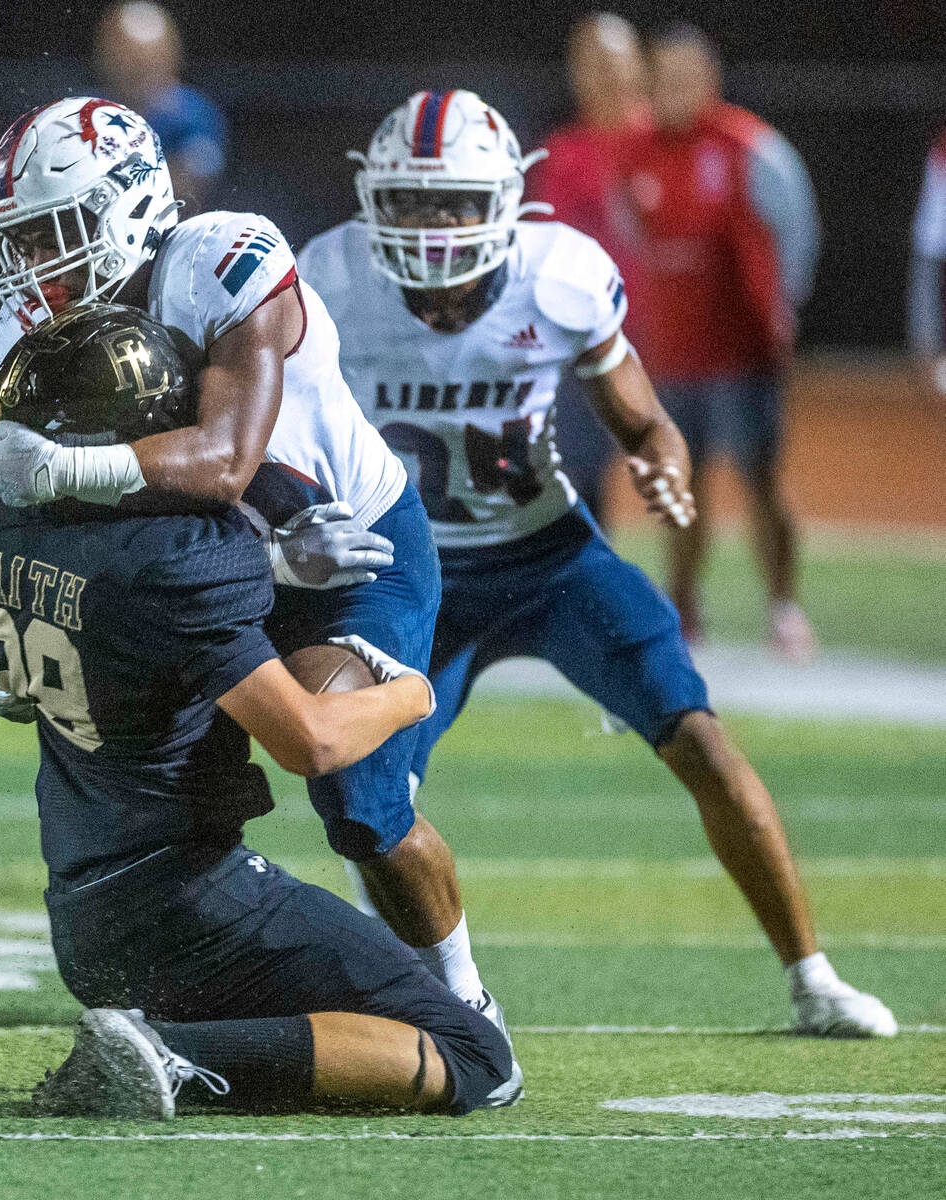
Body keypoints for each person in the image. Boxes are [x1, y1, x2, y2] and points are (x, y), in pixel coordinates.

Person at [296, 88, 896, 1038]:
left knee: (699, 737)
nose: (434, 224)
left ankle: (813, 976)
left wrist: (664, 463)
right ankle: (437, 998)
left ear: (506, 199)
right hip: (416, 577)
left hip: (551, 555)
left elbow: (644, 420)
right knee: (374, 805)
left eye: (455, 201)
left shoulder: (559, 275)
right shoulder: (327, 279)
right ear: (375, 198)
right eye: (413, 200)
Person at [0, 96, 517, 1096]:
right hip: (223, 567)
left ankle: (463, 998)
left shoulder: (221, 260)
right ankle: (197, 976)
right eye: (16, 245)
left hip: (348, 558)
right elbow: (49, 524)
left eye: (53, 235)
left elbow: (225, 463)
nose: (34, 272)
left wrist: (62, 471)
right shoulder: (29, 324)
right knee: (147, 779)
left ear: (132, 205)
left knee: (355, 801)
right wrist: (15, 626)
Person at [620, 24, 821, 658]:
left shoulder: (750, 148)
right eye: (663, 76)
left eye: (686, 77)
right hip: (673, 354)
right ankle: (684, 607)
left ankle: (784, 607)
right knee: (682, 481)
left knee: (761, 481)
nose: (673, 89)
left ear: (709, 80)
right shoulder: (636, 152)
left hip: (742, 354)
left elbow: (796, 233)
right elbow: (626, 241)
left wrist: (781, 315)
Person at [529, 12, 650, 523]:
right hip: (590, 341)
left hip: (671, 340)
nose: (601, 76)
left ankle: (686, 599)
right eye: (589, 64)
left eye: (612, 62)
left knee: (697, 470)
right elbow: (545, 250)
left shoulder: (666, 141)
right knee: (579, 470)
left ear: (638, 67)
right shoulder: (562, 152)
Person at [95, 1, 227, 212]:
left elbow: (191, 187)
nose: (134, 70)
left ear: (170, 56)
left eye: (144, 61)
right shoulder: (94, 113)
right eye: (125, 59)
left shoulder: (192, 114)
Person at [908, 125, 946, 395]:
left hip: (931, 237)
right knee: (925, 304)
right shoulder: (940, 149)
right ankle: (926, 368)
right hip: (931, 238)